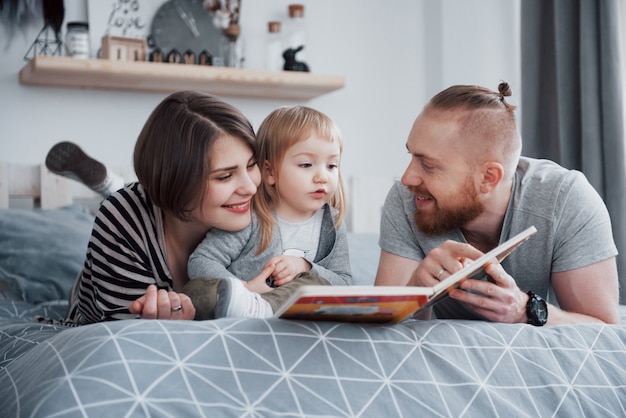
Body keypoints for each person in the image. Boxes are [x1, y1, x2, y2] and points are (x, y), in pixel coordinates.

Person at [375, 82, 621, 326]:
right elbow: (382, 326)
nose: (407, 178)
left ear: (488, 178)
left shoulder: (566, 200)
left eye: (428, 165)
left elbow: (604, 330)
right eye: (411, 155)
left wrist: (525, 310)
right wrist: (416, 288)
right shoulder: (408, 199)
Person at [63, 90, 261, 324]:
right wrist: (173, 329)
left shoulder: (268, 205)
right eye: (224, 176)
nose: (250, 188)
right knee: (123, 209)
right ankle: (116, 188)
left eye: (251, 165)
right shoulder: (120, 218)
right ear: (177, 179)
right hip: (100, 296)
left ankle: (113, 184)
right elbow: (121, 336)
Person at [184, 105, 352, 319]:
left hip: (294, 311)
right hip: (242, 303)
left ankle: (266, 310)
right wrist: (243, 289)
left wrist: (305, 267)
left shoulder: (333, 224)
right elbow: (201, 261)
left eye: (332, 166)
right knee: (196, 290)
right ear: (270, 172)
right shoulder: (251, 216)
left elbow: (344, 282)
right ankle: (252, 308)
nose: (322, 177)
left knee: (314, 284)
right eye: (307, 164)